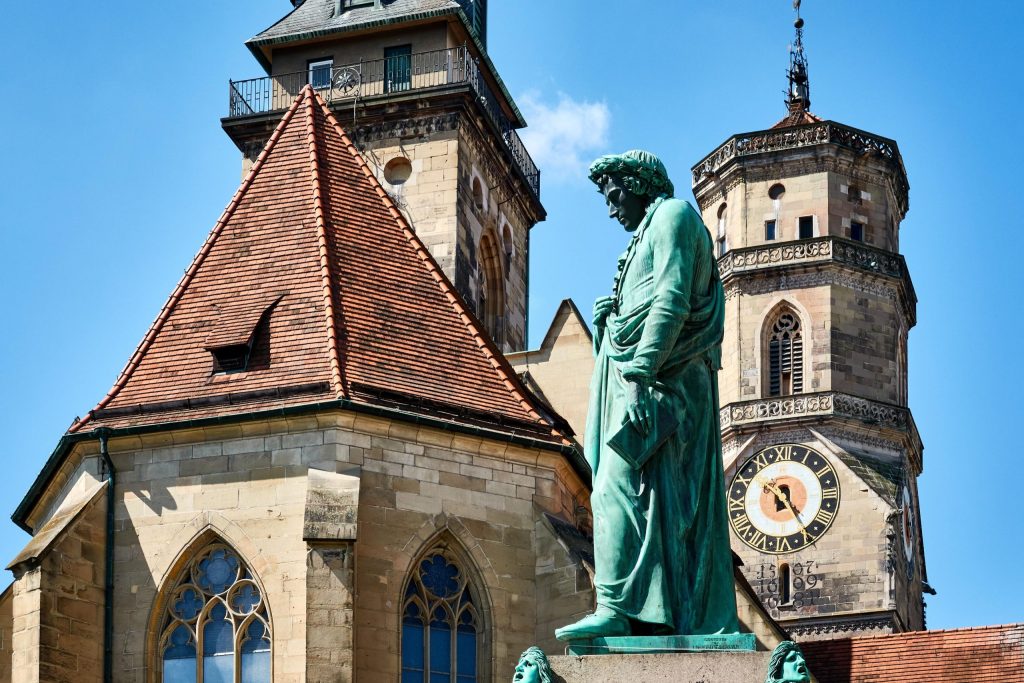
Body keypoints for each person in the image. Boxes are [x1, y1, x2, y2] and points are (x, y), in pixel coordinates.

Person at [555, 150, 739, 640]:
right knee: (636, 499)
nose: (612, 208)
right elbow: (645, 309)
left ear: (639, 184)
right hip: (645, 379)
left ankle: (618, 607)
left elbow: (672, 299)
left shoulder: (673, 216)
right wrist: (608, 326)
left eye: (615, 196)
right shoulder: (642, 235)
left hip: (665, 388)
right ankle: (637, 611)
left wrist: (638, 373)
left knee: (622, 491)